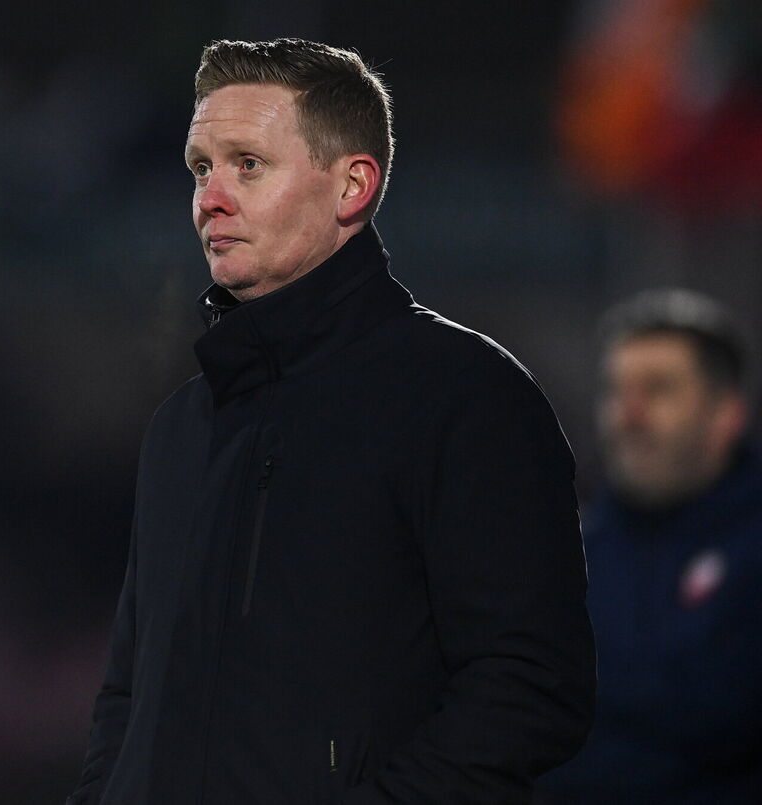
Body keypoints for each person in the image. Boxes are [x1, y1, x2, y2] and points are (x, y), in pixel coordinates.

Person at [67, 38, 596, 804]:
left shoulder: (466, 395)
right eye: (201, 167)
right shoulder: (181, 426)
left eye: (248, 164)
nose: (211, 196)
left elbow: (532, 688)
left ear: (352, 185)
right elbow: (126, 701)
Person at [537, 289, 762, 803]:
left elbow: (718, 718)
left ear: (725, 415)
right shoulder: (573, 550)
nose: (629, 415)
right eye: (617, 391)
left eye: (658, 390)